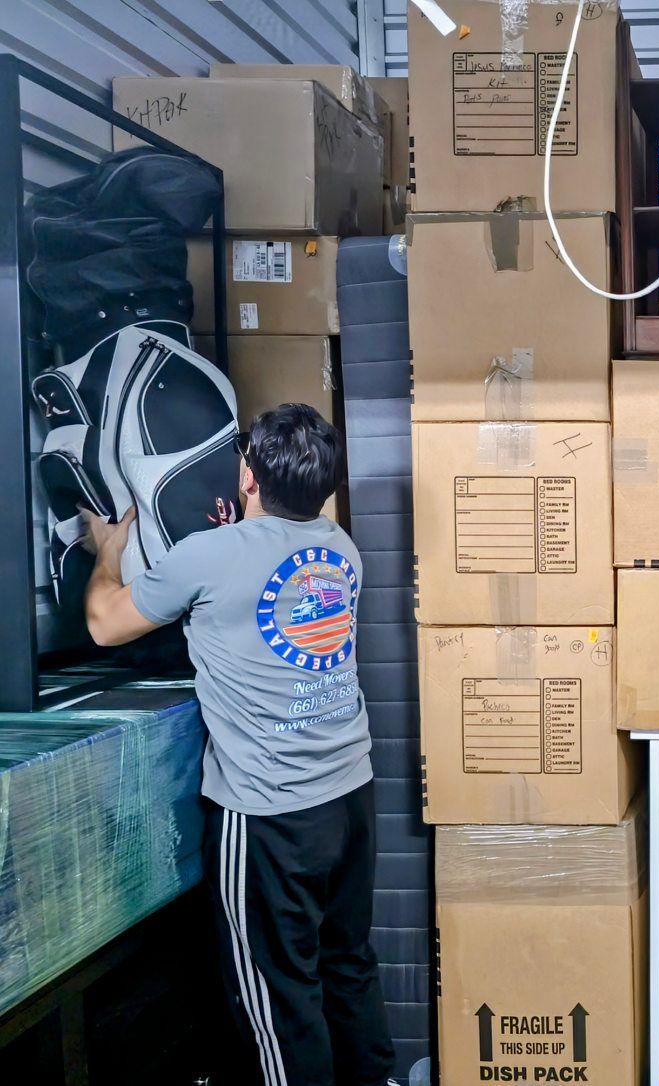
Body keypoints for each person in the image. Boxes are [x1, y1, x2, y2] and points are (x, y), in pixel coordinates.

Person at [81, 403, 398, 1086]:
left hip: (270, 813)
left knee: (278, 997)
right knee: (346, 965)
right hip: (350, 797)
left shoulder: (208, 556)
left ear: (247, 475)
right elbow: (267, 584)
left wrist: (106, 549)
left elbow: (106, 625)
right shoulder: (339, 548)